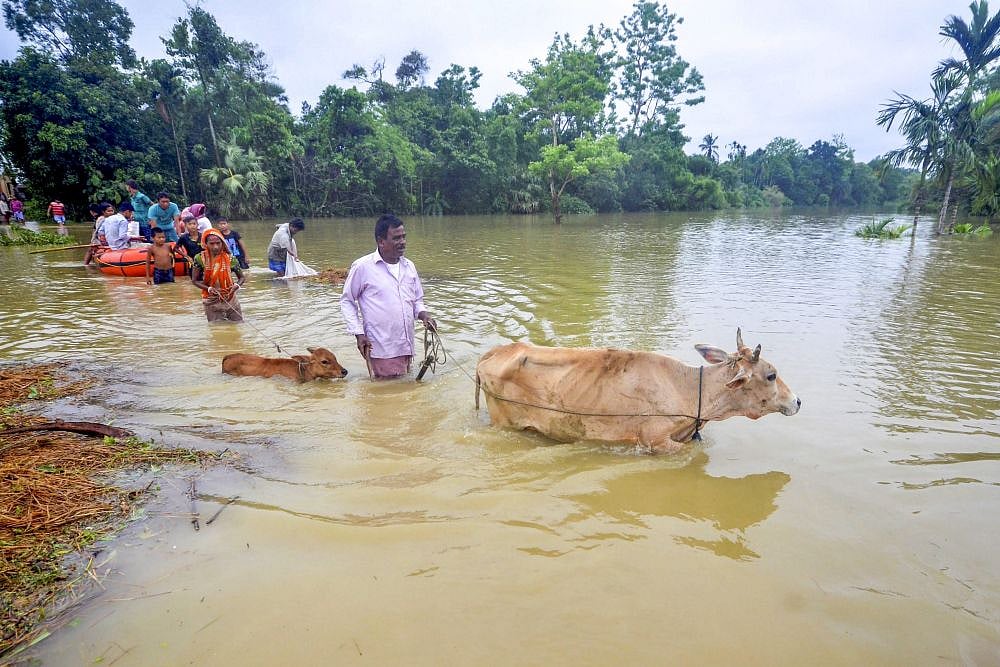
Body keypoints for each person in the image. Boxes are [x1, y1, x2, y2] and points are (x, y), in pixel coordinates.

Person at [340, 214, 437, 379]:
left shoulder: (409, 266)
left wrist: (424, 315)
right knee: (388, 394)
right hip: (381, 347)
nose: (402, 242)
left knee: (400, 393)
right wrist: (359, 333)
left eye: (404, 237)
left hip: (406, 346)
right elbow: (347, 301)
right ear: (381, 241)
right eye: (396, 238)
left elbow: (416, 300)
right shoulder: (363, 267)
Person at [192, 229, 246, 322]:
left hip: (230, 297)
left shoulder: (230, 258)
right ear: (206, 244)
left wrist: (236, 286)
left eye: (218, 243)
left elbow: (241, 277)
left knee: (238, 324)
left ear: (223, 243)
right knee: (216, 328)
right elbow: (194, 280)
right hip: (211, 299)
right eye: (211, 244)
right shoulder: (200, 258)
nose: (215, 247)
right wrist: (208, 289)